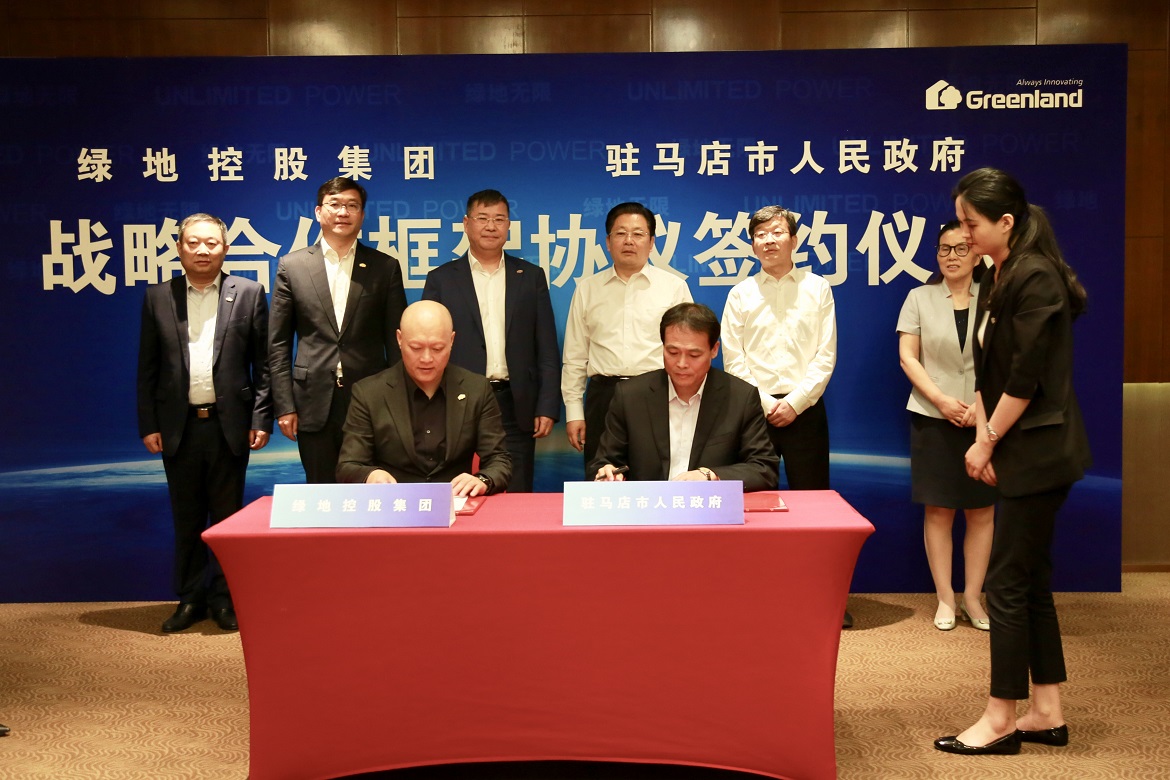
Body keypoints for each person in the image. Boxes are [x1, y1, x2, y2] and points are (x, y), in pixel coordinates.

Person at [934, 168, 1091, 756]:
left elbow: (1025, 377)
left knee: (1004, 584)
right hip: (1019, 445)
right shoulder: (1000, 273)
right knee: (1029, 581)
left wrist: (987, 440)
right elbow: (992, 370)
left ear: (1006, 222)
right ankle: (1046, 710)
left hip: (1040, 451)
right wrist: (985, 430)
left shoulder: (1035, 275)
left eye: (971, 223)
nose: (964, 234)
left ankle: (1000, 718)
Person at [136, 213, 272, 633]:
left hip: (229, 425)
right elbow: (148, 368)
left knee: (227, 520)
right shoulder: (158, 297)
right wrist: (149, 424)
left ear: (225, 248)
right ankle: (191, 599)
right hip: (178, 427)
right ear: (179, 248)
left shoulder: (248, 293)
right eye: (193, 242)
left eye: (211, 243)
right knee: (187, 518)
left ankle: (225, 599)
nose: (202, 250)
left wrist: (261, 417)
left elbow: (264, 364)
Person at [721, 205, 846, 627]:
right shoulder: (740, 294)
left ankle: (821, 599)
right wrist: (764, 402)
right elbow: (734, 360)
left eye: (777, 232)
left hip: (805, 410)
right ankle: (754, 596)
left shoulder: (817, 288)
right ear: (752, 244)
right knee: (750, 505)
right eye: (760, 234)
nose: (769, 240)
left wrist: (795, 401)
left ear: (793, 240)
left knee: (813, 504)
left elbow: (825, 354)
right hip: (752, 413)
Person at [269, 176, 408, 483]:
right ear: (319, 212)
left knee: (372, 489)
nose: (343, 212)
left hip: (372, 398)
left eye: (352, 205)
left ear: (362, 215)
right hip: (313, 400)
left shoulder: (384, 267)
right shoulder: (292, 266)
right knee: (321, 491)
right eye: (335, 204)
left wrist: (399, 400)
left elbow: (397, 341)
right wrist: (284, 405)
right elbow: (278, 344)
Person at [422, 189, 560, 492]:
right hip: (456, 401)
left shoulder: (530, 277)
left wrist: (547, 405)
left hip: (515, 401)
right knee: (457, 489)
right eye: (482, 218)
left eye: (499, 219)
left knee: (517, 488)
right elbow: (427, 348)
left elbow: (547, 348)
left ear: (508, 226)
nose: (491, 226)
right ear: (466, 223)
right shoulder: (441, 279)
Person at [897, 220, 996, 632]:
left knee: (981, 510)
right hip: (932, 416)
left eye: (961, 248)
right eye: (944, 248)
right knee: (938, 511)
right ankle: (945, 597)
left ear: (977, 253)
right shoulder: (919, 297)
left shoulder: (995, 297)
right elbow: (908, 356)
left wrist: (979, 406)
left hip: (984, 418)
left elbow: (1005, 359)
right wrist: (940, 399)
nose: (951, 256)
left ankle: (973, 596)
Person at [561, 202, 692, 480]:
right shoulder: (587, 289)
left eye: (638, 234)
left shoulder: (673, 288)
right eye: (620, 233)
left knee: (657, 479)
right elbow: (574, 357)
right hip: (603, 397)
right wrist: (574, 412)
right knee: (602, 480)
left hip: (657, 394)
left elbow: (688, 352)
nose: (629, 241)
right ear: (608, 242)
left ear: (651, 242)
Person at [591, 303, 778, 491]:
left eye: (694, 355)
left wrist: (710, 475)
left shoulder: (741, 398)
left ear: (714, 350)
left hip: (709, 505)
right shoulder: (630, 396)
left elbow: (764, 469)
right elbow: (604, 462)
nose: (681, 363)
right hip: (649, 504)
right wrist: (607, 472)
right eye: (672, 352)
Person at [336, 300, 511, 495]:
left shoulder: (476, 389)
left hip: (456, 502)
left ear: (451, 341)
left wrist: (482, 479)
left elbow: (499, 459)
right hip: (396, 502)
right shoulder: (369, 393)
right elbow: (348, 465)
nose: (426, 358)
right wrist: (371, 475)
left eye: (437, 348)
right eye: (416, 347)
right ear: (399, 339)